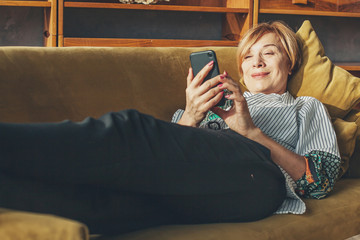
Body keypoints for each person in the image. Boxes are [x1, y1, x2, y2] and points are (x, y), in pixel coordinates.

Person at [0, 21, 340, 235]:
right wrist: (192, 112)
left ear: (290, 62)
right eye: (248, 57)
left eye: (269, 53)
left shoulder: (305, 107)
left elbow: (321, 180)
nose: (257, 62)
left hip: (260, 180)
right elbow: (163, 152)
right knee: (104, 207)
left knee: (127, 129)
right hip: (194, 183)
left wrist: (250, 131)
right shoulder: (216, 101)